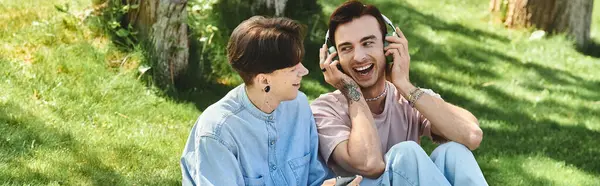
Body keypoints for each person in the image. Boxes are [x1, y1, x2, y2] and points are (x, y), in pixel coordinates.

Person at [311, 1, 488, 185]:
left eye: (368, 43)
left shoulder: (407, 98)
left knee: (453, 152)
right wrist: (351, 91)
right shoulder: (324, 110)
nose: (359, 57)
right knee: (406, 154)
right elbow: (370, 164)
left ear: (388, 46)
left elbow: (472, 136)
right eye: (346, 48)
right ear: (335, 58)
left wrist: (404, 84)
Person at [179, 16, 359, 186]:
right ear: (264, 80)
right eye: (292, 68)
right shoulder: (217, 132)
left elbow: (315, 177)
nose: (304, 71)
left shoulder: (299, 107)